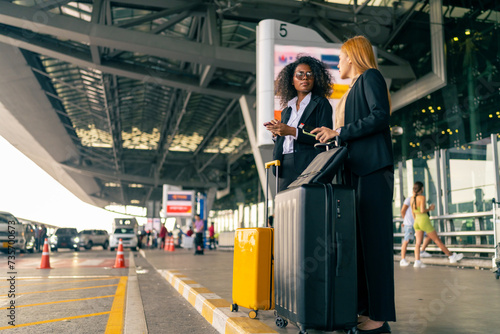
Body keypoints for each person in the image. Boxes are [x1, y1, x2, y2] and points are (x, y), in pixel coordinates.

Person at [312, 36, 395, 333]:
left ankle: (380, 316)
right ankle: (365, 308)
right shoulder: (351, 90)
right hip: (356, 171)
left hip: (373, 170)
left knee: (376, 244)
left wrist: (341, 132)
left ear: (354, 56)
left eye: (341, 57)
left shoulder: (370, 77)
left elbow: (380, 117)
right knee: (360, 244)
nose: (338, 63)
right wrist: (334, 135)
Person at [264, 55, 333, 192]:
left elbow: (324, 138)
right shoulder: (286, 111)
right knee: (286, 209)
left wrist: (291, 131)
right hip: (284, 166)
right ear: (291, 80)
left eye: (309, 74)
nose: (305, 78)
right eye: (299, 75)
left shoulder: (321, 104)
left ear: (315, 79)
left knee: (306, 207)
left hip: (309, 165)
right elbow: (284, 139)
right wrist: (277, 133)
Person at [411, 181, 464, 268]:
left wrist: (416, 220)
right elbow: (422, 210)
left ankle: (417, 261)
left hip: (416, 221)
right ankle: (451, 256)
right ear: (422, 188)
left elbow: (413, 212)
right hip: (423, 220)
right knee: (437, 240)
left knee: (417, 243)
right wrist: (430, 208)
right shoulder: (422, 197)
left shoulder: (412, 198)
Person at [400, 196, 433, 266]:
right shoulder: (409, 199)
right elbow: (403, 210)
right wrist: (405, 221)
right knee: (407, 240)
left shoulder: (420, 199)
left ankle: (422, 251)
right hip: (409, 224)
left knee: (428, 236)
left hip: (417, 222)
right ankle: (402, 259)